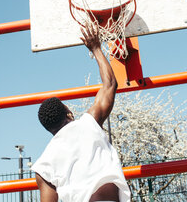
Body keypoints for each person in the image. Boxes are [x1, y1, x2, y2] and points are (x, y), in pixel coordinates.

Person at [32, 23, 131, 202]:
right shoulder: (88, 123)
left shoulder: (43, 164)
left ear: (49, 129)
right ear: (68, 112)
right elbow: (110, 84)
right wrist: (96, 48)